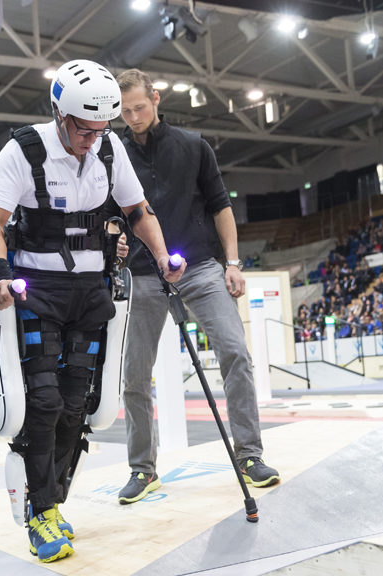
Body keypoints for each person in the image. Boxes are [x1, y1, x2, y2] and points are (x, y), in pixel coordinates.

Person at [0, 59, 184, 563]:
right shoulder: (23, 150)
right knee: (43, 402)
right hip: (39, 293)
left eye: (101, 129)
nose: (93, 139)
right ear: (58, 114)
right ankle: (41, 512)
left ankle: (49, 502)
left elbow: (137, 211)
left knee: (76, 407)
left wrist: (161, 255)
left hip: (91, 290)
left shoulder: (110, 149)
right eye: (84, 129)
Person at [115, 68, 280, 505]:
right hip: (143, 274)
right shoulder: (112, 156)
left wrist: (233, 262)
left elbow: (221, 206)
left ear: (155, 98)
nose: (132, 117)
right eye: (125, 110)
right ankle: (142, 469)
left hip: (202, 267)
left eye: (139, 107)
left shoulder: (193, 145)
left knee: (235, 353)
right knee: (133, 376)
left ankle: (249, 455)